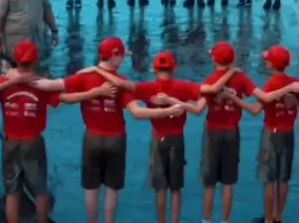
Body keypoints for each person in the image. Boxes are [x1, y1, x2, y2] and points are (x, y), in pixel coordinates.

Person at [0, 39, 110, 223]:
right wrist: (94, 92)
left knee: (12, 192)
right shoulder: (42, 84)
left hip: (10, 142)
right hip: (33, 143)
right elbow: (65, 97)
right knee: (40, 191)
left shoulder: (3, 82)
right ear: (34, 60)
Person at [29, 37, 188, 223]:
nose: (123, 59)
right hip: (115, 140)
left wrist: (19, 77)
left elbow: (47, 85)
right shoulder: (120, 83)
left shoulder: (83, 78)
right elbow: (136, 112)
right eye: (121, 56)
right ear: (114, 56)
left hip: (92, 138)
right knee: (112, 189)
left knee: (91, 188)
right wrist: (168, 111)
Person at [79, 50, 207, 223]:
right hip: (177, 138)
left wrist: (96, 70)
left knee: (160, 188)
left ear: (154, 70)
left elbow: (121, 84)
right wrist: (181, 104)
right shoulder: (184, 86)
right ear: (174, 68)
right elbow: (204, 95)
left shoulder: (148, 88)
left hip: (158, 138)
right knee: (176, 189)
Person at [196, 42, 299, 223]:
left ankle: (206, 221)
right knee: (228, 183)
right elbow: (263, 98)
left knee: (209, 184)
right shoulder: (241, 79)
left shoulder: (210, 80)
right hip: (232, 132)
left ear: (213, 59)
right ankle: (225, 221)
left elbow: (200, 106)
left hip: (212, 132)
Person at [224, 46, 299, 223]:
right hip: (288, 134)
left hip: (271, 134)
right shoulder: (295, 83)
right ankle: (278, 216)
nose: (265, 62)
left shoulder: (271, 84)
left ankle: (268, 220)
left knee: (269, 180)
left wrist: (235, 99)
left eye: (267, 60)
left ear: (271, 64)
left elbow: (255, 109)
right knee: (283, 179)